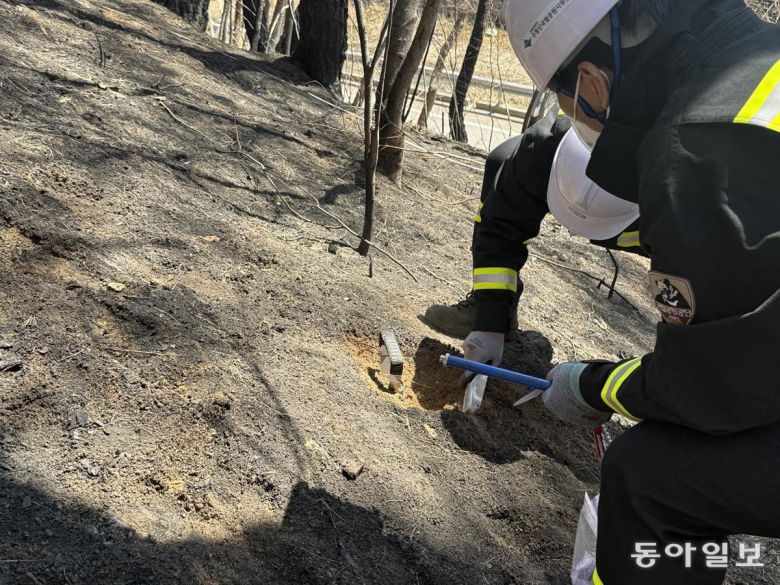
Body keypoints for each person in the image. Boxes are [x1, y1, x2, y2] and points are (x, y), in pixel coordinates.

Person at [499, 0, 780, 583]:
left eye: (567, 101)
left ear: (592, 82)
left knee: (648, 476)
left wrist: (591, 386)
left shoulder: (692, 154)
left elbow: (707, 392)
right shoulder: (762, 60)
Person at [424, 110, 646, 372]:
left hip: (647, 221)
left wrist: (603, 386)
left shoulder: (678, 215)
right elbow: (500, 230)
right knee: (500, 161)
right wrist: (489, 324)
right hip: (548, 165)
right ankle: (493, 312)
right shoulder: (544, 146)